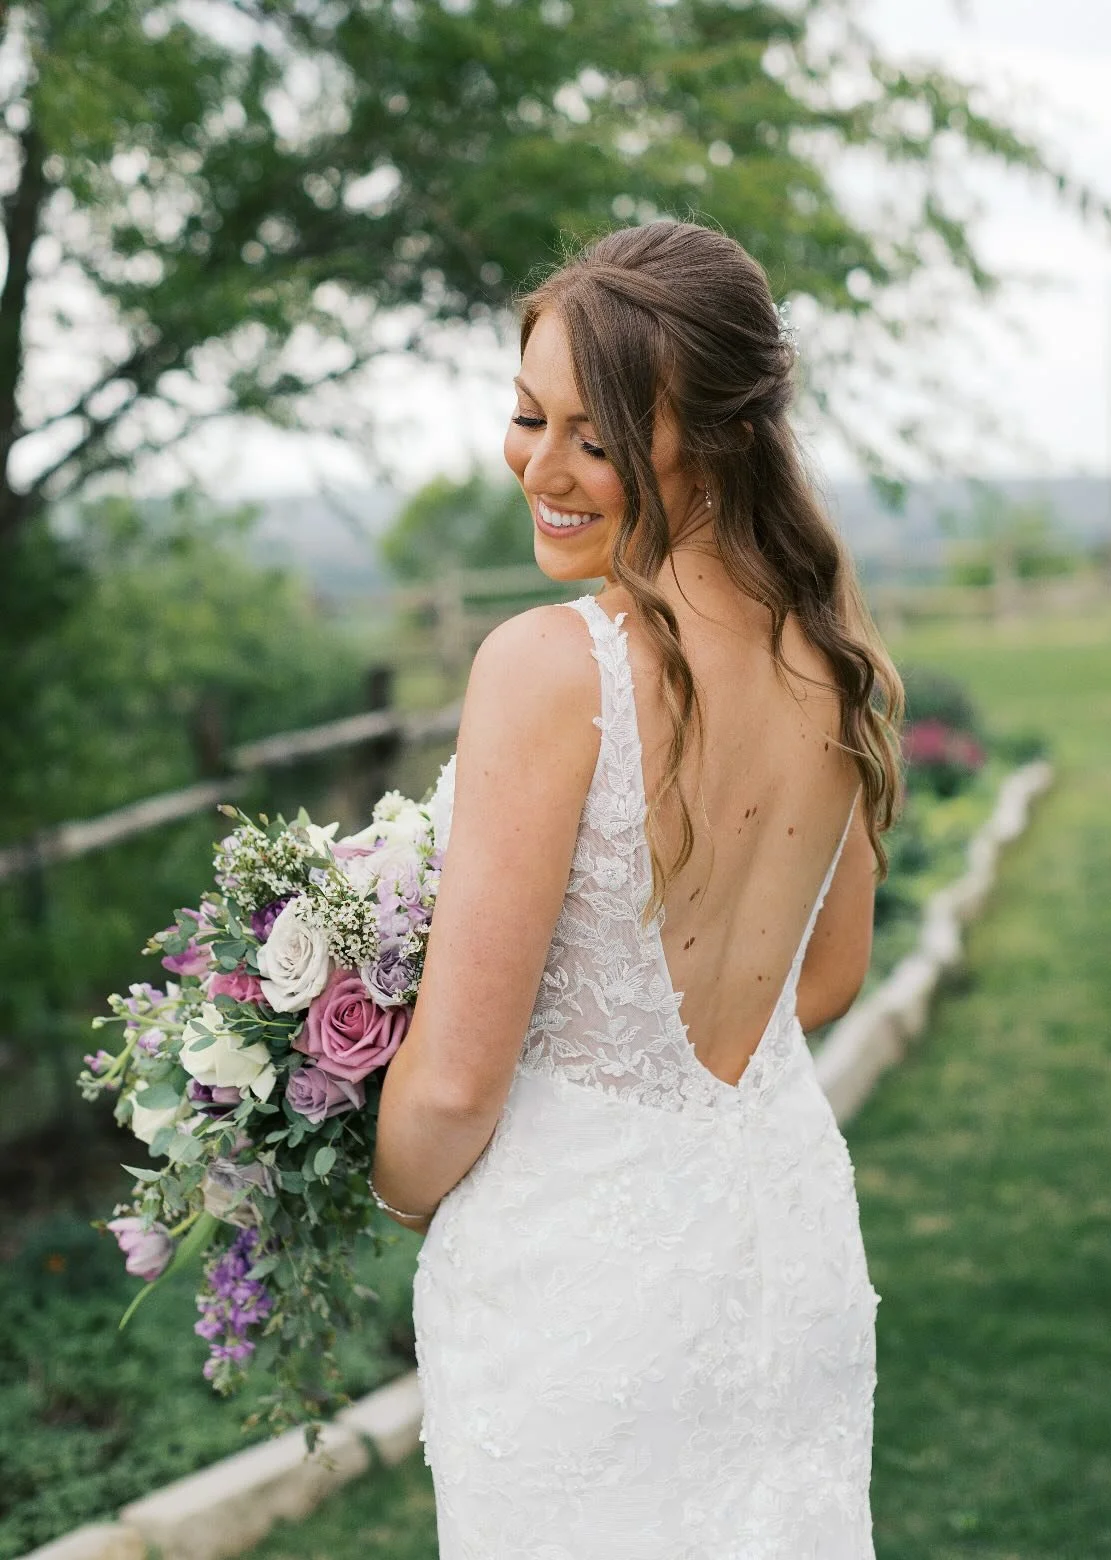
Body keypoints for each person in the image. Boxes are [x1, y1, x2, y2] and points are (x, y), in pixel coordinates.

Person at [371, 219, 903, 1557]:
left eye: (595, 438)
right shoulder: (839, 660)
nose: (541, 470)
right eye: (525, 416)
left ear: (711, 438)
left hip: (577, 1285)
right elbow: (825, 982)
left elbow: (447, 1088)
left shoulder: (550, 668)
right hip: (784, 1246)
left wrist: (357, 1172)